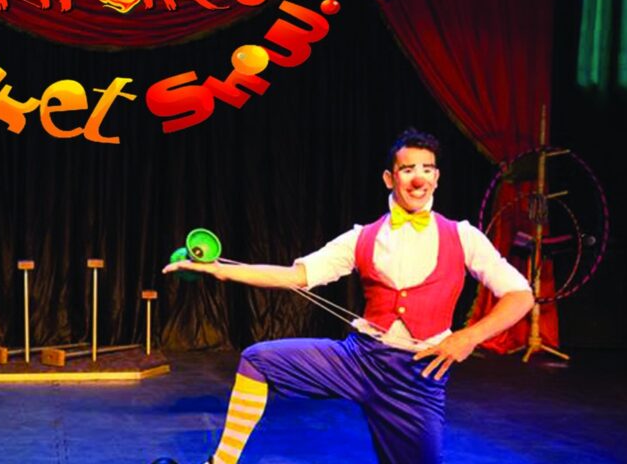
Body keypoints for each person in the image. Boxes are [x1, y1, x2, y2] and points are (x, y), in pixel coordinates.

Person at [163, 129, 535, 464]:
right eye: (407, 169)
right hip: (359, 359)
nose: (418, 178)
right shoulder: (361, 238)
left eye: (427, 169)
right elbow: (296, 276)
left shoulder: (463, 236)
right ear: (390, 178)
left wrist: (468, 337)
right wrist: (219, 269)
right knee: (258, 361)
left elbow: (521, 295)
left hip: (417, 376)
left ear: (436, 177)